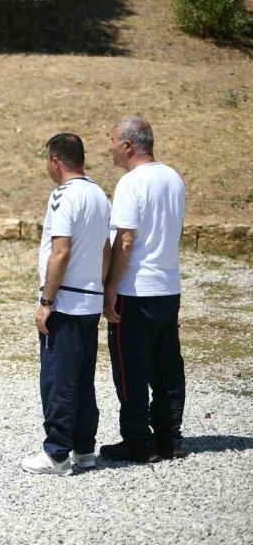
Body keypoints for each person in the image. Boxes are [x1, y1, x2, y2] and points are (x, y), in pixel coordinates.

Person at [21, 133, 111, 476]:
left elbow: (60, 251)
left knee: (58, 379)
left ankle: (57, 453)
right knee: (82, 378)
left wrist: (47, 300)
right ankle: (83, 449)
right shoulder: (100, 195)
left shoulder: (62, 196)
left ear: (55, 161)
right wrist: (100, 290)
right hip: (89, 301)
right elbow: (105, 250)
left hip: (66, 302)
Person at [101, 117, 187, 463]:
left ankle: (137, 441)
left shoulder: (131, 183)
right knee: (166, 367)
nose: (109, 146)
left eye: (112, 140)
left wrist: (110, 288)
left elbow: (125, 240)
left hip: (135, 291)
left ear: (128, 146)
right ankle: (168, 438)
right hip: (168, 287)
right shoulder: (174, 178)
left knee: (130, 369)